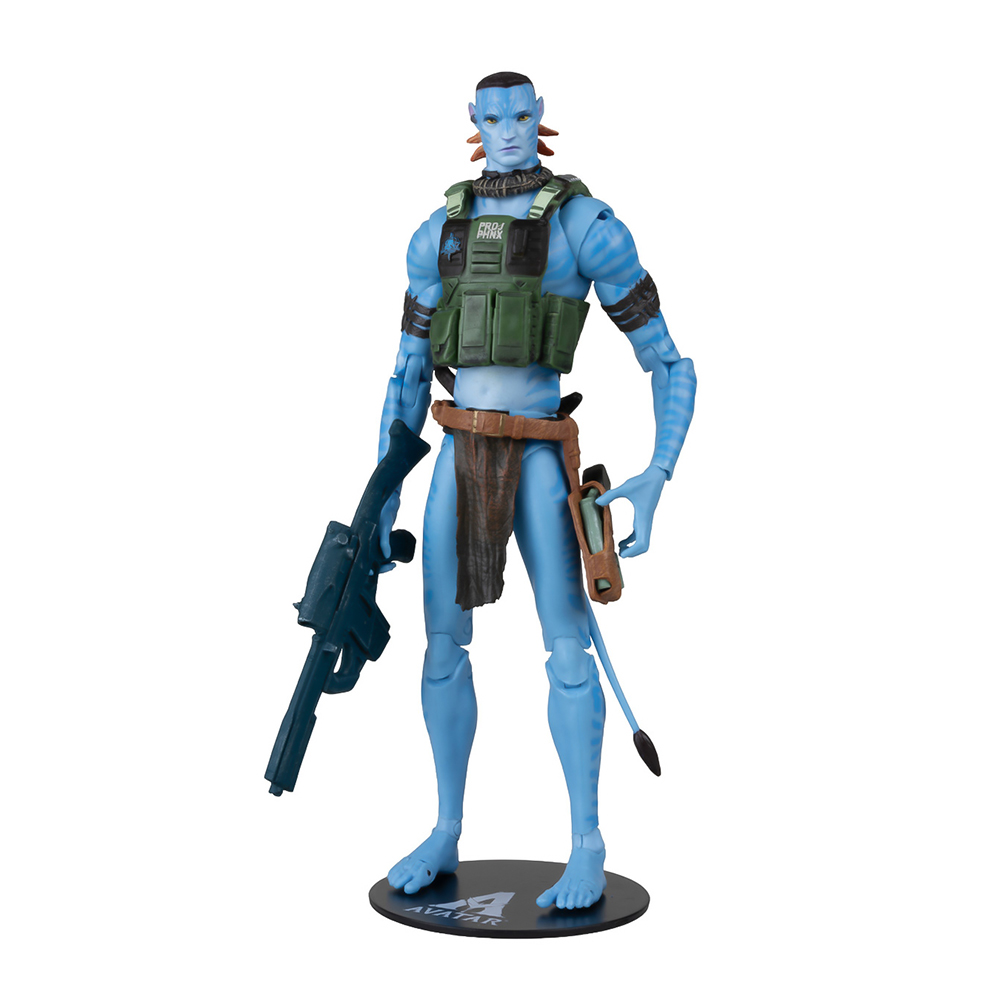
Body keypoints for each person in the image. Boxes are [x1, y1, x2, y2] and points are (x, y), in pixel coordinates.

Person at [376, 72, 696, 910]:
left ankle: (587, 843)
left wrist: (658, 472)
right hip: (457, 449)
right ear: (474, 123)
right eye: (494, 117)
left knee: (567, 651)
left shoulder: (584, 225)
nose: (509, 129)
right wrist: (381, 493)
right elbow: (407, 372)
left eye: (522, 114)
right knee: (442, 647)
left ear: (540, 117)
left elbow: (669, 361)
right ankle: (447, 829)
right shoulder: (438, 235)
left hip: (542, 454)